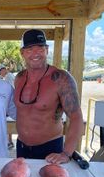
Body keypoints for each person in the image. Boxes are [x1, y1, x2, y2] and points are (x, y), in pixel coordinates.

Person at [14, 29, 84, 164]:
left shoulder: (61, 79)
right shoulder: (19, 78)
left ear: (46, 50)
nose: (35, 53)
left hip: (50, 149)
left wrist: (66, 153)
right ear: (22, 53)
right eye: (29, 49)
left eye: (40, 48)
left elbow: (76, 118)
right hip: (21, 146)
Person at [0, 64, 15, 149]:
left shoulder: (8, 77)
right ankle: (9, 141)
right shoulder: (10, 76)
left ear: (3, 70)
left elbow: (9, 92)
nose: (0, 74)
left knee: (6, 122)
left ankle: (9, 142)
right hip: (12, 102)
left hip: (11, 102)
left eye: (0, 72)